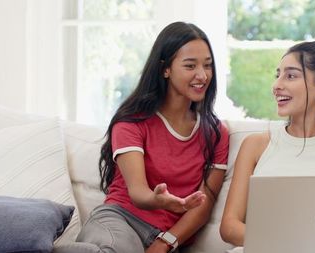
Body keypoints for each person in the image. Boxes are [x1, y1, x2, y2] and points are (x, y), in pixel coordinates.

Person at [54, 21, 229, 253]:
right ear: (165, 69)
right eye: (190, 65)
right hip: (120, 220)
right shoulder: (132, 122)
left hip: (166, 238)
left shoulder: (216, 133)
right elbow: (138, 194)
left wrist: (165, 242)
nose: (202, 75)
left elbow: (203, 206)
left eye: (208, 65)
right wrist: (160, 200)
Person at [219, 41, 315, 251]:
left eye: (290, 76)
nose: (276, 86)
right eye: (278, 75)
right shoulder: (255, 146)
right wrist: (286, 243)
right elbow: (229, 227)